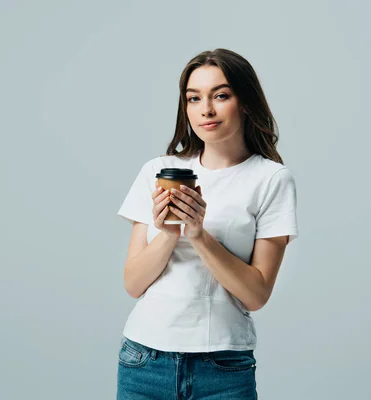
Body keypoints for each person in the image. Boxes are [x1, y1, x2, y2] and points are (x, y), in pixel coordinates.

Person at [115, 48, 299, 400]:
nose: (206, 109)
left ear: (244, 102)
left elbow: (256, 294)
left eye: (221, 95)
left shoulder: (271, 179)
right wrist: (169, 234)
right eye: (194, 98)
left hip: (223, 368)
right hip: (143, 361)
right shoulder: (159, 170)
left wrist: (198, 235)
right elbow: (133, 284)